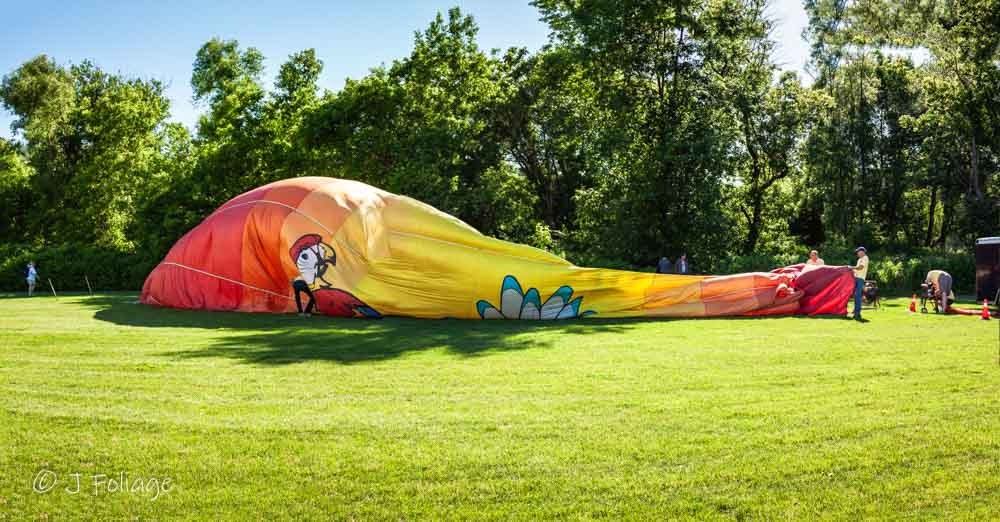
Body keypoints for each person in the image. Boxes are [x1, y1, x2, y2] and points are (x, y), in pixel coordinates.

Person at [850, 247, 869, 320]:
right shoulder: (859, 259)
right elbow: (857, 269)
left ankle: (857, 314)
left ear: (862, 252)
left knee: (858, 296)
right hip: (856, 278)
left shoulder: (865, 258)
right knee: (855, 296)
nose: (857, 253)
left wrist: (851, 267)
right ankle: (855, 310)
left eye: (858, 252)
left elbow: (860, 267)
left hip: (860, 279)